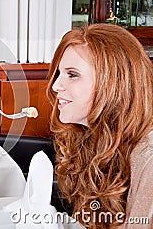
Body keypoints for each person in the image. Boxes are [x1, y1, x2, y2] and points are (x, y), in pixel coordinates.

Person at [46, 23, 153, 228]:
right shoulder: (88, 137)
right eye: (60, 73)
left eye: (72, 74)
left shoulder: (148, 159)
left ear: (113, 83)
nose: (56, 85)